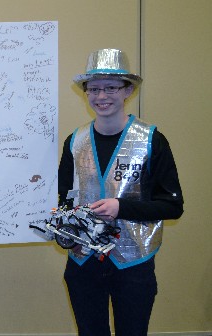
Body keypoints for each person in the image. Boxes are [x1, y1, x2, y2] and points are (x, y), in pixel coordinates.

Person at [58, 49, 183, 335]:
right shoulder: (74, 142)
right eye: (94, 88)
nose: (101, 96)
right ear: (86, 92)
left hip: (133, 264)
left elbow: (172, 206)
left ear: (128, 90)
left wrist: (121, 207)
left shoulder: (152, 140)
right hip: (83, 262)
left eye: (111, 87)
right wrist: (68, 239)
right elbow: (64, 199)